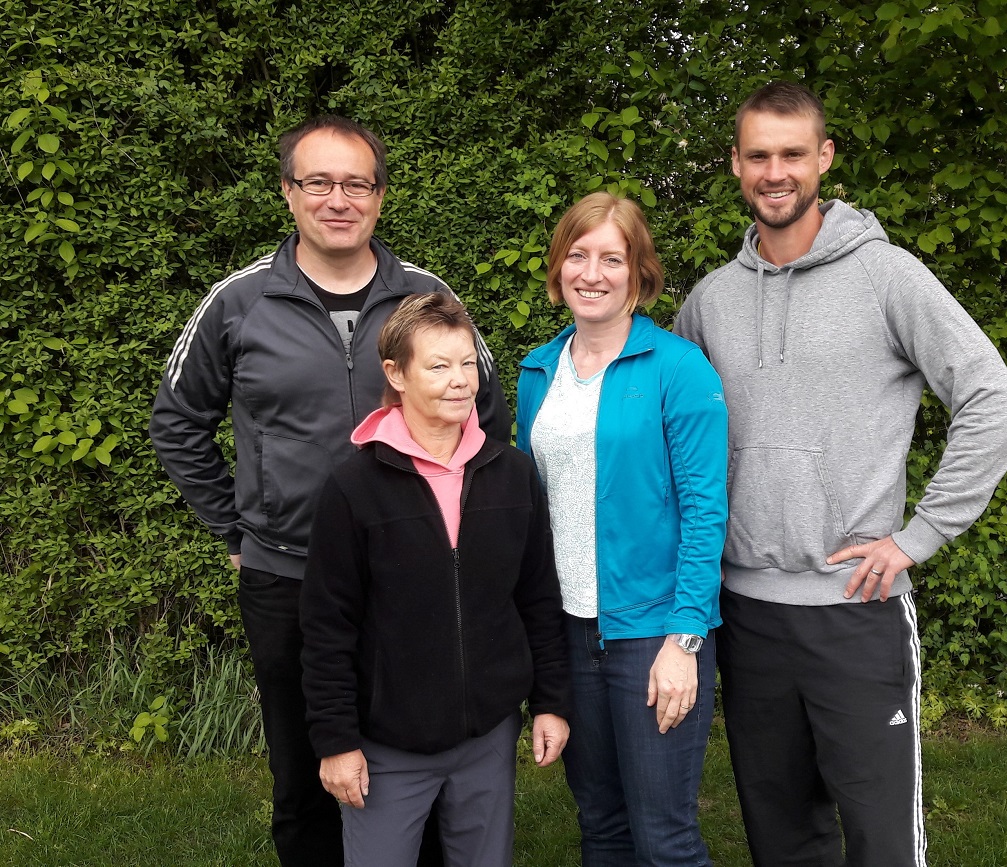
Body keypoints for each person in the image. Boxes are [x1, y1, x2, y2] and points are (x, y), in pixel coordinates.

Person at [674, 82, 1007, 867]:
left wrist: (920, 535)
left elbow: (992, 400)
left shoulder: (886, 275)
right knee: (780, 833)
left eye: (792, 153)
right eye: (758, 155)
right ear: (735, 164)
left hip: (855, 609)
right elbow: (676, 436)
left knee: (881, 838)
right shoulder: (711, 301)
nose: (776, 171)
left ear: (823, 158)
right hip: (747, 613)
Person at [149, 115, 510, 867]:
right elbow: (178, 420)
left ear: (379, 196)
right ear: (288, 193)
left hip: (417, 577)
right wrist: (237, 531)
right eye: (318, 181)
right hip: (289, 574)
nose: (337, 198)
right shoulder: (238, 302)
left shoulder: (428, 296)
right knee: (307, 769)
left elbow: (489, 419)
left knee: (432, 755)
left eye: (356, 182)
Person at [298, 292, 570, 867]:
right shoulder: (354, 487)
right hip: (387, 743)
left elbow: (539, 599)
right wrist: (336, 741)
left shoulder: (512, 474)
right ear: (396, 374)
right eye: (439, 366)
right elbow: (327, 626)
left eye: (468, 363)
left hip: (487, 736)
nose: (460, 381)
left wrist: (550, 702)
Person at [515, 192, 728, 867]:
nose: (592, 272)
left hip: (653, 634)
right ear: (557, 268)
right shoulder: (536, 372)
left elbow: (705, 509)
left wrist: (684, 638)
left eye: (612, 257)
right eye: (577, 255)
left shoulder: (677, 368)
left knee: (664, 836)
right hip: (569, 633)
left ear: (638, 272)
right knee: (600, 824)